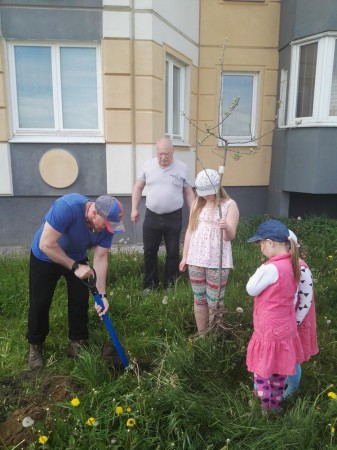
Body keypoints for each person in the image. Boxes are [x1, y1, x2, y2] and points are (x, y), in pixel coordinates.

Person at [27, 193, 125, 370]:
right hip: (45, 256)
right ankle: (35, 344)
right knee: (40, 302)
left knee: (79, 300)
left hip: (77, 256)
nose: (108, 229)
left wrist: (102, 295)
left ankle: (77, 342)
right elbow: (46, 244)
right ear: (95, 213)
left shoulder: (105, 228)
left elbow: (101, 258)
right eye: (106, 224)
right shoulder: (67, 207)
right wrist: (74, 267)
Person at [246, 219, 304, 414]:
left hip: (269, 329)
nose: (261, 249)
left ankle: (264, 408)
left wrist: (260, 269)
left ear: (270, 243)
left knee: (262, 371)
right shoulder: (294, 263)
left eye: (261, 244)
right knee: (279, 370)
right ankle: (276, 405)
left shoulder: (270, 268)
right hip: (286, 327)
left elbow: (251, 289)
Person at [179, 169, 239, 334]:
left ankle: (214, 335)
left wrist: (226, 227)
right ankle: (202, 335)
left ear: (217, 188)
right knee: (199, 300)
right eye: (203, 193)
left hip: (217, 261)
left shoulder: (229, 205)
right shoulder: (197, 205)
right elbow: (190, 232)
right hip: (196, 259)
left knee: (215, 302)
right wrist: (185, 257)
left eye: (209, 193)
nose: (206, 196)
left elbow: (230, 236)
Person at [131, 137, 195, 293]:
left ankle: (170, 284)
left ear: (173, 151)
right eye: (160, 154)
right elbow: (138, 187)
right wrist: (134, 208)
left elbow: (188, 192)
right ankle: (150, 284)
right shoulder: (147, 166)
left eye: (166, 154)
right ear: (156, 152)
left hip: (174, 217)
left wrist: (194, 214)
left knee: (173, 252)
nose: (163, 157)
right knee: (149, 251)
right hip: (151, 216)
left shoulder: (182, 168)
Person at [283, 230, 319, 399]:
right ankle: (283, 381)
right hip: (284, 319)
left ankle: (293, 389)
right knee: (283, 354)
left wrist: (295, 321)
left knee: (293, 357)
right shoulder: (282, 266)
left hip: (298, 320)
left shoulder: (301, 268)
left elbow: (306, 300)